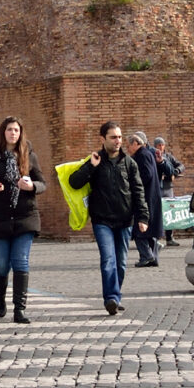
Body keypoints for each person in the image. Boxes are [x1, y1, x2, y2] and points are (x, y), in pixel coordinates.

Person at [70, 120, 146, 315]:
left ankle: (115, 296)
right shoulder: (95, 160)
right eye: (113, 137)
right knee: (108, 259)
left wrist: (143, 217)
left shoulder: (129, 163)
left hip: (124, 220)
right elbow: (74, 182)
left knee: (121, 263)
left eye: (119, 137)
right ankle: (111, 298)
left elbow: (138, 191)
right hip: (102, 220)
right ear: (103, 139)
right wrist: (91, 167)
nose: (117, 141)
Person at [0, 116, 43, 324]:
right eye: (9, 129)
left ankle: (19, 310)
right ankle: (0, 297)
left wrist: (31, 186)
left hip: (25, 216)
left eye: (16, 130)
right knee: (1, 265)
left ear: (20, 133)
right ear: (3, 132)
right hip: (0, 216)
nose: (13, 133)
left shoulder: (29, 155)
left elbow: (42, 183)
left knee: (20, 261)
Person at [128, 131, 164, 267]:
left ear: (135, 143)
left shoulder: (142, 155)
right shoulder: (146, 154)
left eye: (129, 145)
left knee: (140, 230)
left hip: (145, 197)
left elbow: (146, 174)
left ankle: (146, 256)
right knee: (148, 230)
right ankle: (153, 256)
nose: (128, 149)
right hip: (150, 196)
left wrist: (134, 184)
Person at [155, 136, 184, 247]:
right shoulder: (152, 156)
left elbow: (181, 165)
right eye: (159, 145)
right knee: (157, 213)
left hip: (168, 188)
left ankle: (169, 237)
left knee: (170, 212)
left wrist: (175, 172)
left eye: (162, 145)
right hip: (157, 188)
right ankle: (156, 237)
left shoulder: (169, 157)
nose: (161, 147)